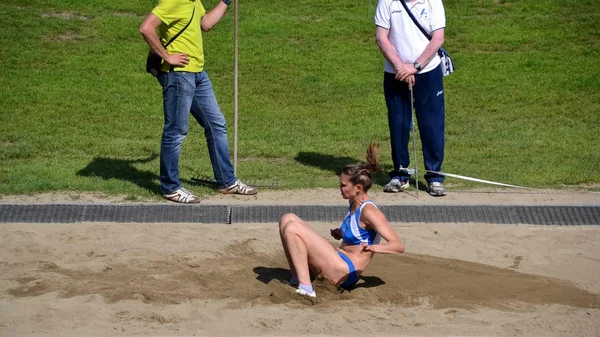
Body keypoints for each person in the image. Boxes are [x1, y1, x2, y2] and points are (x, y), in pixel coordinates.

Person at [139, 0, 257, 203]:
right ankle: (171, 187)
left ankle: (227, 181)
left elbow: (206, 24)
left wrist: (226, 2)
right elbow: (146, 27)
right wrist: (167, 56)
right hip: (178, 76)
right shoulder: (174, 1)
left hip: (197, 74)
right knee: (176, 131)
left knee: (216, 124)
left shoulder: (194, 1)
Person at [279, 143, 405, 298]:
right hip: (338, 258)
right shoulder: (353, 202)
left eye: (343, 185)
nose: (339, 188)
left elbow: (398, 246)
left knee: (292, 228)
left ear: (358, 188)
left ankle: (307, 288)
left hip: (344, 271)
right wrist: (341, 233)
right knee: (287, 218)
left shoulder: (370, 212)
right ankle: (297, 277)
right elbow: (358, 233)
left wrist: (374, 248)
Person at [374, 0, 448, 196]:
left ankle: (434, 177)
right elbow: (382, 38)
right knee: (399, 124)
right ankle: (400, 174)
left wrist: (415, 66)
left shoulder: (433, 2)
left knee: (432, 125)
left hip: (428, 72)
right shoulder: (387, 2)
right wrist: (401, 67)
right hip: (395, 73)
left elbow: (438, 38)